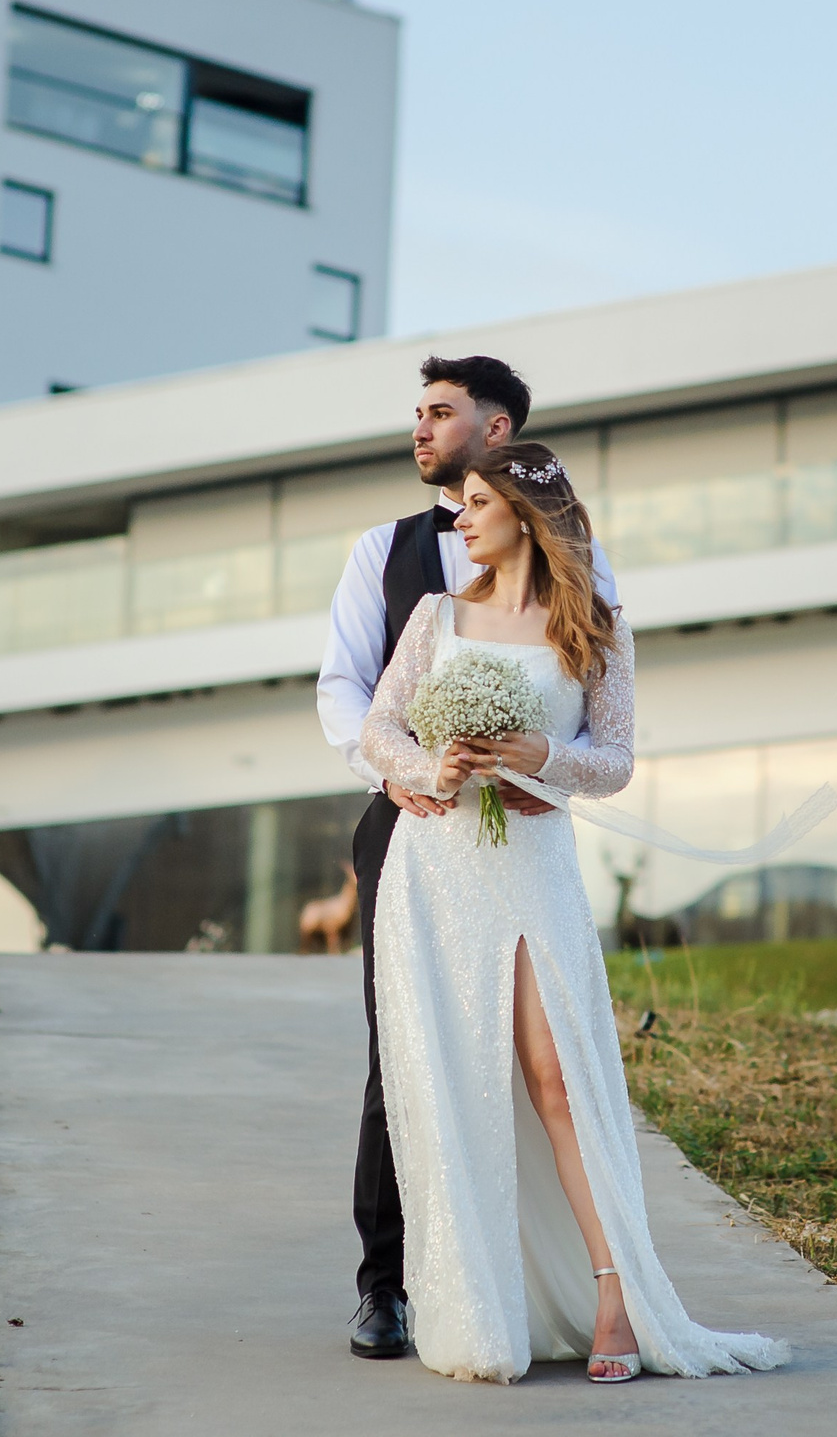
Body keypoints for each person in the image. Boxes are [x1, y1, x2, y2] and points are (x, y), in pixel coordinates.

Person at [357, 441, 786, 1383]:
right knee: (452, 1083)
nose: (460, 517)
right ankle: (480, 1309)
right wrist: (439, 768)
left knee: (557, 1082)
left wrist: (539, 754)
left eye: (476, 501)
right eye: (459, 503)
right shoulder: (436, 616)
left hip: (532, 870)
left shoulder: (595, 622)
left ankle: (613, 1295)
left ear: (522, 510)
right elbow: (378, 728)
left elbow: (618, 758)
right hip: (435, 872)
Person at [315, 355, 618, 1361]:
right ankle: (388, 1286)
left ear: (498, 432)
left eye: (439, 413)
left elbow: (592, 697)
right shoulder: (384, 553)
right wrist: (406, 774)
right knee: (401, 1056)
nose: (420, 428)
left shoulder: (582, 566)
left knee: (542, 1068)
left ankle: (553, 1281)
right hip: (407, 823)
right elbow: (346, 694)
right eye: (417, 413)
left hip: (525, 832)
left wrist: (538, 764)